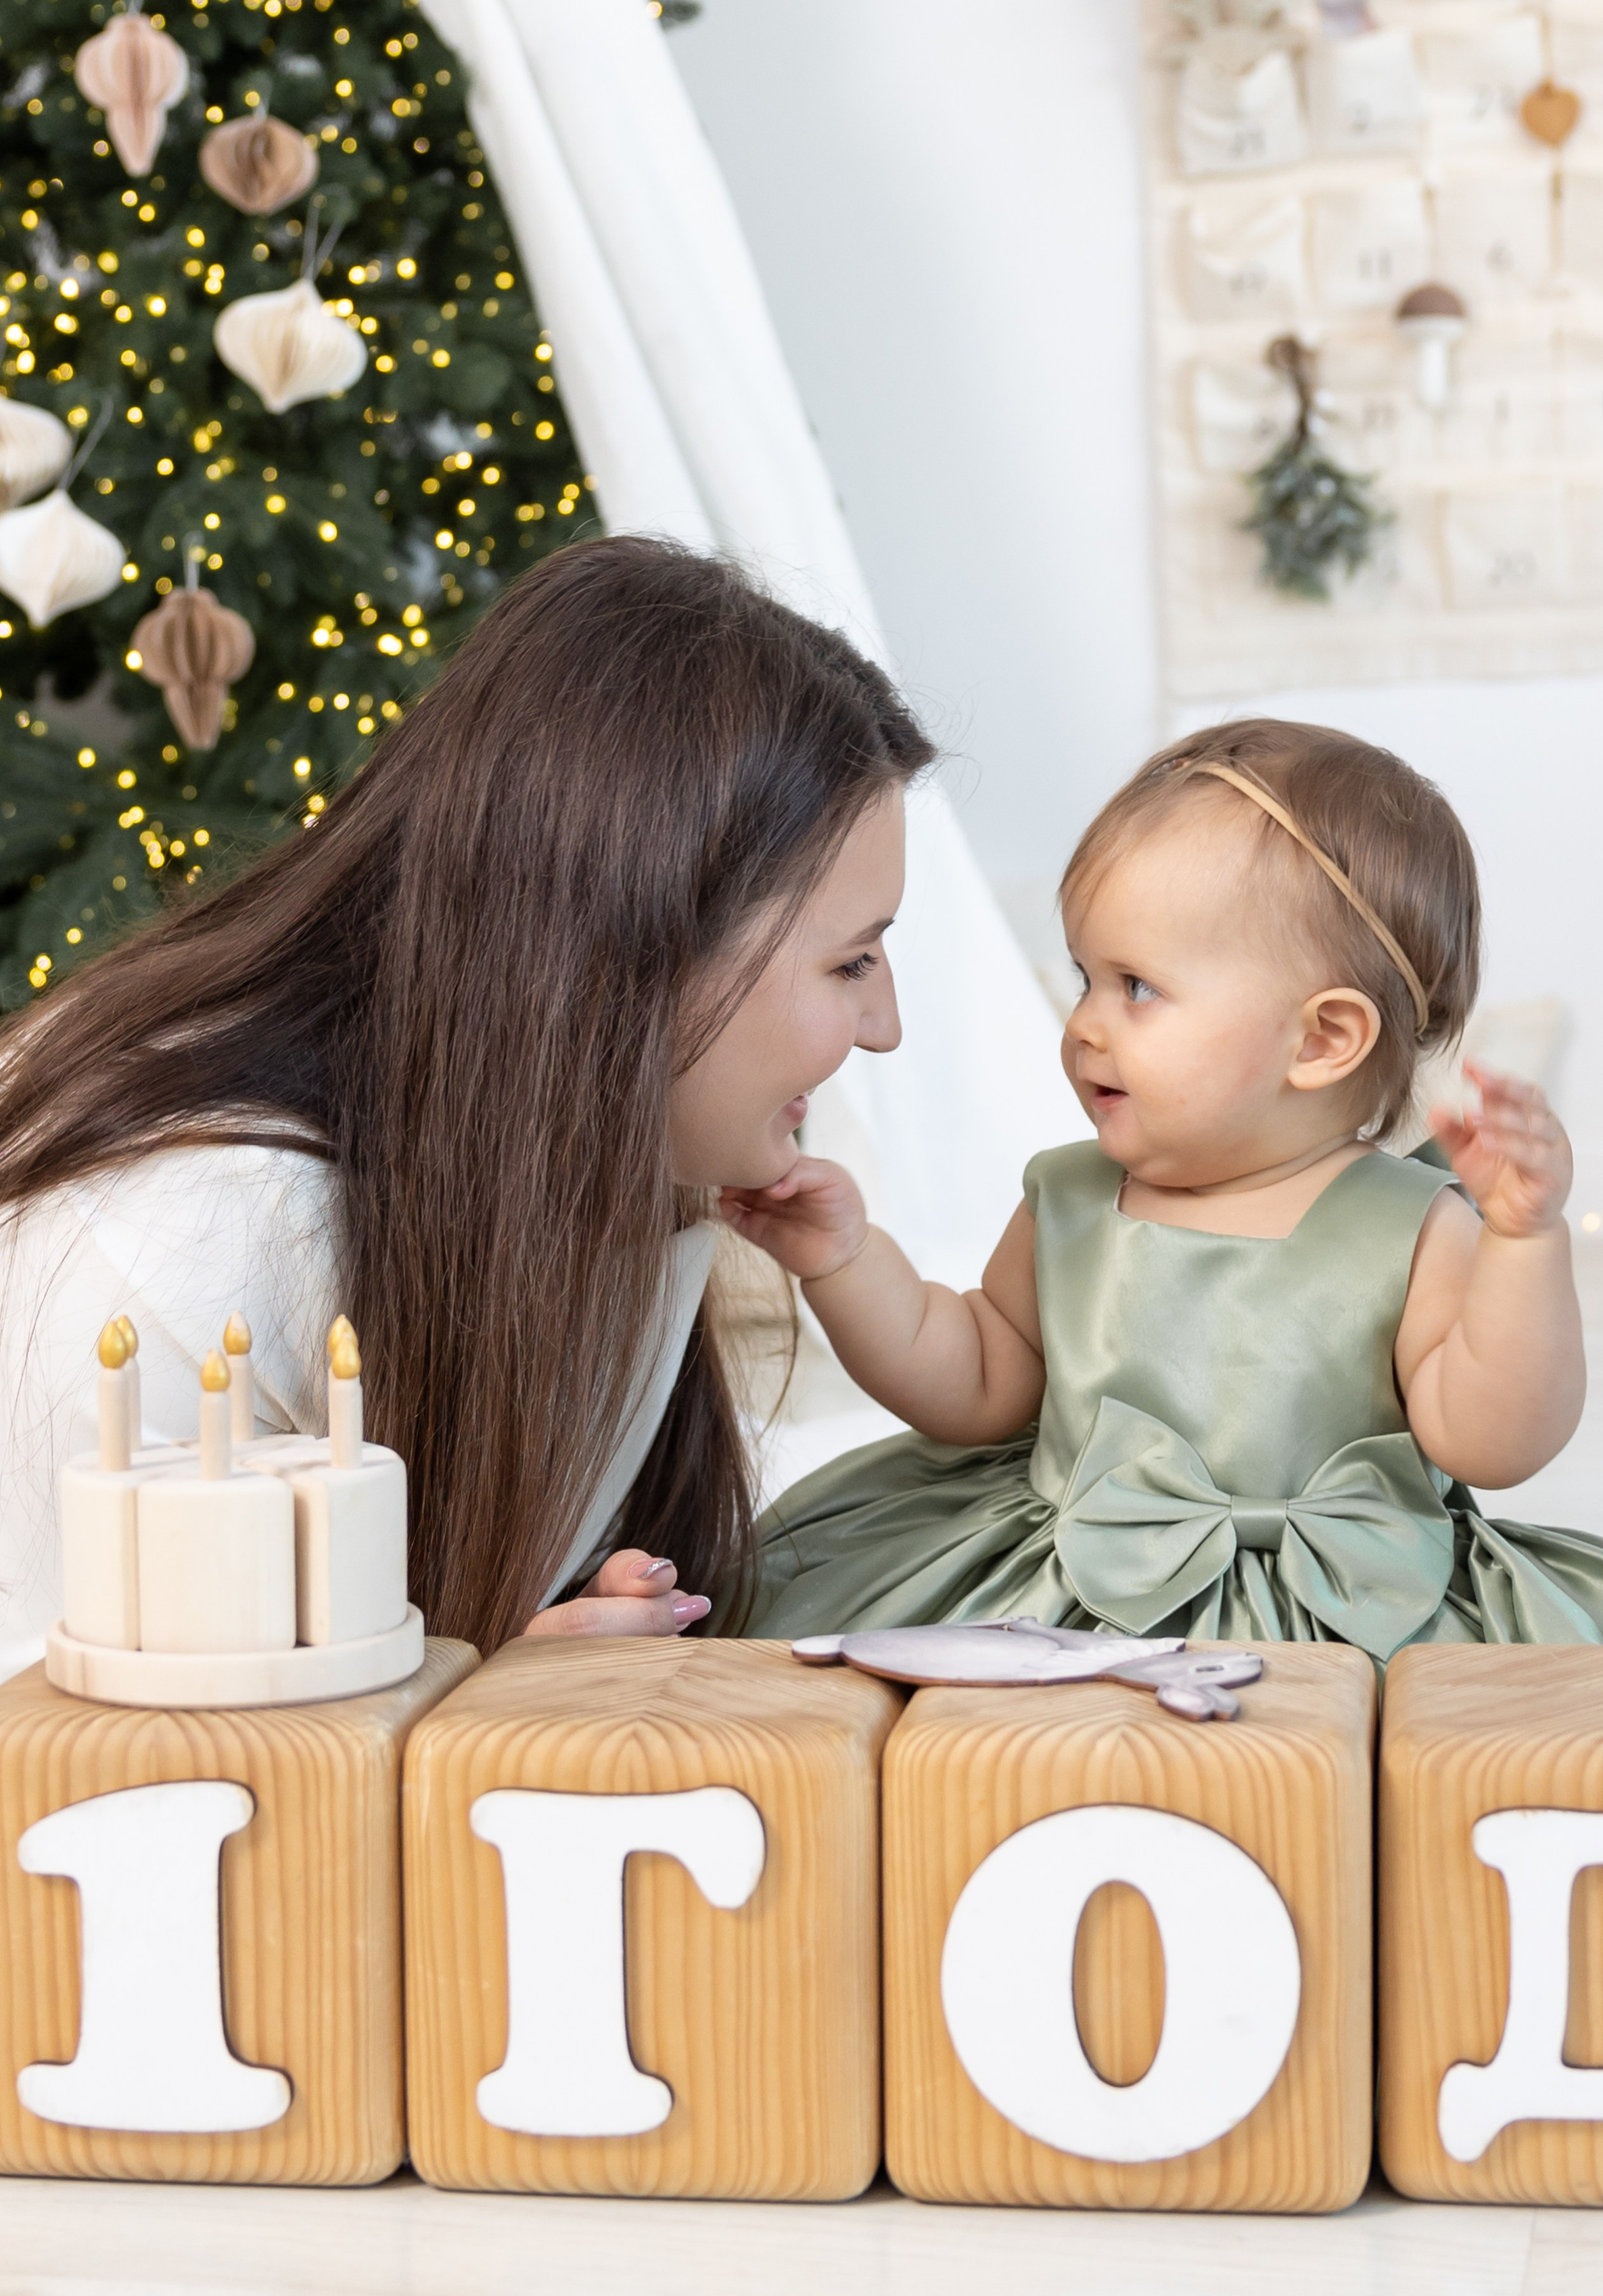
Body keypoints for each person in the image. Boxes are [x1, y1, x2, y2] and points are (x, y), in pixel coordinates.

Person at [0, 536, 927, 1679]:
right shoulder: (194, 1225)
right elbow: (69, 1779)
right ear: (645, 942)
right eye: (852, 962)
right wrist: (460, 1703)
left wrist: (492, 1664)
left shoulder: (578, 1169)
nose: (883, 1026)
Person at [733, 718, 1603, 1657]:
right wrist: (847, 1262)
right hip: (1073, 1588)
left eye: (1137, 987)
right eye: (1083, 977)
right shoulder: (1072, 1199)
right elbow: (974, 1379)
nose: (1085, 1024)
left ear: (1321, 1040)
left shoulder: (1411, 1228)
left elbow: (1495, 1437)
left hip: (1359, 1610)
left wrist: (1522, 1242)